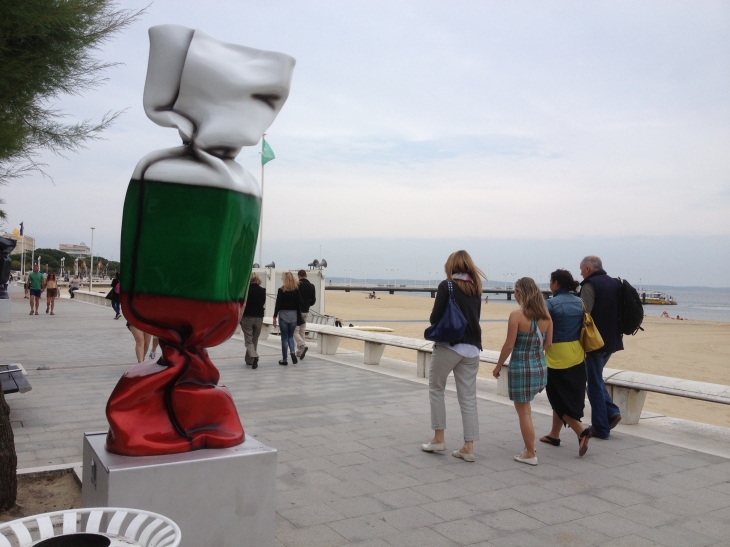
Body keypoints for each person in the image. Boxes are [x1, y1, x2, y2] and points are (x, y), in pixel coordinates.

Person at [421, 250, 485, 463]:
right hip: (473, 349)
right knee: (468, 398)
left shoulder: (446, 286)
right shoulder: (476, 288)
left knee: (436, 388)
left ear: (451, 266)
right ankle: (469, 446)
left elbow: (435, 317)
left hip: (450, 346)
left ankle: (439, 437)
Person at [493, 277, 552, 466]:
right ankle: (529, 449)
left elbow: (509, 345)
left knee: (524, 412)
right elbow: (548, 344)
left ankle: (530, 452)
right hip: (540, 367)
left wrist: (498, 366)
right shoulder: (546, 316)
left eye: (515, 291)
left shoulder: (516, 316)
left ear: (520, 293)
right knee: (527, 410)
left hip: (521, 367)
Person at [539, 269, 592, 456]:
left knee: (555, 395)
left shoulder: (550, 304)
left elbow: (542, 330)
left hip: (556, 355)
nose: (550, 284)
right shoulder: (580, 302)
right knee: (566, 395)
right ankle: (554, 435)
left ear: (556, 283)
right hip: (577, 353)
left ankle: (581, 430)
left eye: (550, 281)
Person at [579, 255, 623, 440]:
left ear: (588, 269)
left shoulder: (590, 285)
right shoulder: (614, 283)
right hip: (613, 340)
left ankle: (601, 427)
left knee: (594, 384)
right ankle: (612, 412)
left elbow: (584, 312)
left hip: (595, 342)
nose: (580, 273)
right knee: (596, 379)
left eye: (581, 269)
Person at [272, 271, 302, 366]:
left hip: (283, 315)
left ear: (284, 279)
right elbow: (299, 304)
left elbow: (278, 304)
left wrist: (274, 316)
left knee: (284, 338)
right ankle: (292, 352)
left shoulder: (281, 290)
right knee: (290, 336)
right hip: (293, 315)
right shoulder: (296, 290)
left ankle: (284, 359)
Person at [241, 273, 266, 369]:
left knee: (248, 340)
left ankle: (254, 356)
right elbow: (263, 302)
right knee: (254, 339)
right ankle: (249, 360)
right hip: (259, 317)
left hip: (247, 316)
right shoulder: (262, 290)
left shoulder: (245, 291)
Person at [294, 270, 316, 360]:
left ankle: (302, 345)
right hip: (306, 310)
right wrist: (307, 305)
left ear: (299, 276)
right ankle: (299, 352)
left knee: (295, 331)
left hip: (297, 310)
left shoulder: (297, 285)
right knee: (302, 331)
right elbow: (313, 300)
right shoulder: (311, 286)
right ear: (306, 276)